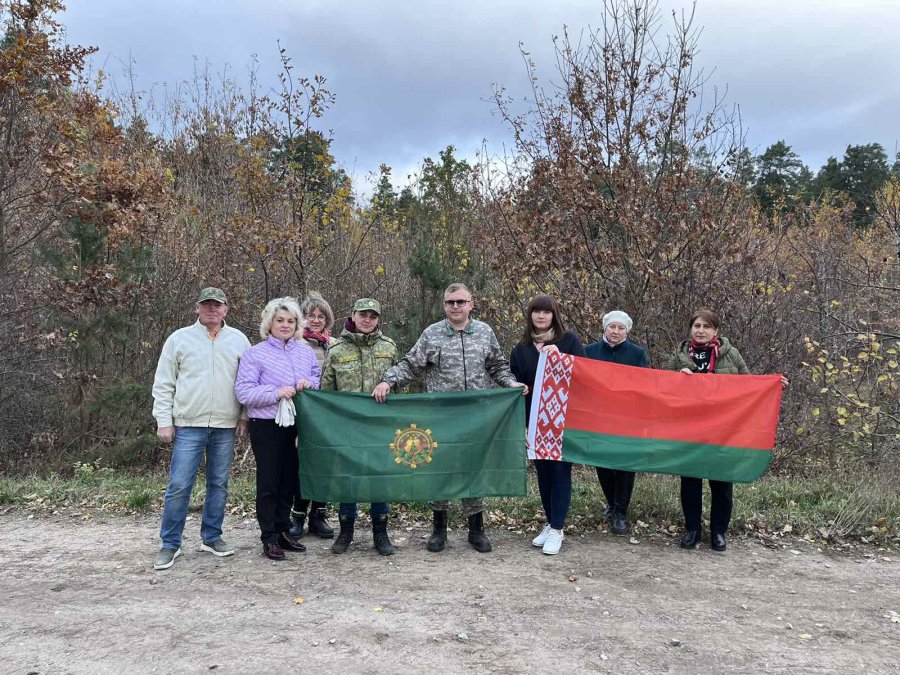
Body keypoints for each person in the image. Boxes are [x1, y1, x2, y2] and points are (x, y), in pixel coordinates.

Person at [373, 283, 526, 553]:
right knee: (439, 469)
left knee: (474, 468)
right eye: (450, 302)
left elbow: (497, 366)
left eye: (460, 302)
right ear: (444, 305)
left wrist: (510, 384)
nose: (455, 306)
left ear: (471, 304)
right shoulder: (432, 334)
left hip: (478, 416)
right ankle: (439, 530)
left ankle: (476, 529)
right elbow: (411, 364)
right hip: (441, 417)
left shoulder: (484, 332)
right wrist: (389, 381)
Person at [667, 308, 787, 552]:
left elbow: (749, 386)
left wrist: (773, 386)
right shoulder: (679, 355)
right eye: (697, 326)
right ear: (691, 329)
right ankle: (692, 530)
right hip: (690, 428)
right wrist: (677, 378)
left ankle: (719, 532)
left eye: (706, 327)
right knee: (690, 481)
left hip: (724, 431)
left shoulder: (731, 355)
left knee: (721, 483)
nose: (701, 331)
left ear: (716, 331)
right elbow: (664, 389)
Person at [151, 287, 251, 571]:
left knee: (218, 484)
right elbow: (164, 382)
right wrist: (164, 420)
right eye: (206, 305)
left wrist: (244, 417)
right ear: (197, 308)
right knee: (180, 485)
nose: (212, 310)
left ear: (225, 310)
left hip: (224, 425)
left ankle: (212, 536)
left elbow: (247, 381)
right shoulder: (179, 339)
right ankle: (170, 543)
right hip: (188, 424)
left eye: (217, 305)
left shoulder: (238, 340)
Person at [235, 297, 320, 561]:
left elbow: (316, 378)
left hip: (297, 424)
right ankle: (269, 536)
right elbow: (244, 391)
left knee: (290, 480)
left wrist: (309, 383)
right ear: (269, 323)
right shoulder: (255, 353)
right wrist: (275, 392)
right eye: (279, 320)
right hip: (267, 424)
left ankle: (284, 530)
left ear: (297, 324)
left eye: (290, 321)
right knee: (269, 480)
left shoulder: (305, 352)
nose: (285, 325)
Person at [320, 298, 399, 556]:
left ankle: (381, 533)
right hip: (347, 428)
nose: (367, 320)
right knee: (348, 480)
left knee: (380, 479)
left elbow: (400, 386)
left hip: (380, 428)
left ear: (378, 320)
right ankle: (346, 532)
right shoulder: (336, 350)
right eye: (363, 315)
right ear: (352, 315)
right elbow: (326, 393)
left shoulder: (389, 347)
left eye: (373, 316)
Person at [509, 295, 585, 555]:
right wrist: (516, 387)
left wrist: (561, 358)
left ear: (555, 315)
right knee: (543, 473)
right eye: (536, 312)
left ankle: (558, 529)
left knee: (560, 472)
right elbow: (516, 381)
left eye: (546, 312)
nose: (541, 316)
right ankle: (550, 522)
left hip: (564, 420)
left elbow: (585, 374)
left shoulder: (569, 341)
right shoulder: (521, 349)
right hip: (534, 420)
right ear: (530, 315)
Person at [584, 310, 648, 536]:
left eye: (621, 328)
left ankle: (621, 511)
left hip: (627, 419)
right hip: (598, 419)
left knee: (624, 466)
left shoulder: (637, 353)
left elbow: (645, 385)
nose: (616, 332)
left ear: (627, 331)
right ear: (605, 328)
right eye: (613, 327)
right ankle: (611, 503)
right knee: (602, 463)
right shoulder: (588, 351)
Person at [288, 291, 337, 539]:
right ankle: (297, 516)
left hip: (329, 416)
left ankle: (319, 515)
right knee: (302, 466)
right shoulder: (295, 345)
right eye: (310, 316)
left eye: (321, 316)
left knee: (325, 466)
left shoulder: (335, 345)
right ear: (302, 318)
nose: (315, 320)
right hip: (303, 414)